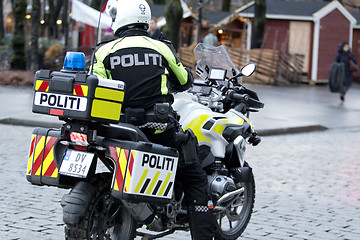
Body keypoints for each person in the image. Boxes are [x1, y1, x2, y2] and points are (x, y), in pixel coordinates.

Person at [91, 0, 215, 239]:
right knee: (194, 176)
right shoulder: (161, 47)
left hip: (118, 127)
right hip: (157, 127)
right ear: (144, 20)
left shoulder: (103, 50)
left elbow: (96, 87)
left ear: (120, 19)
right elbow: (184, 81)